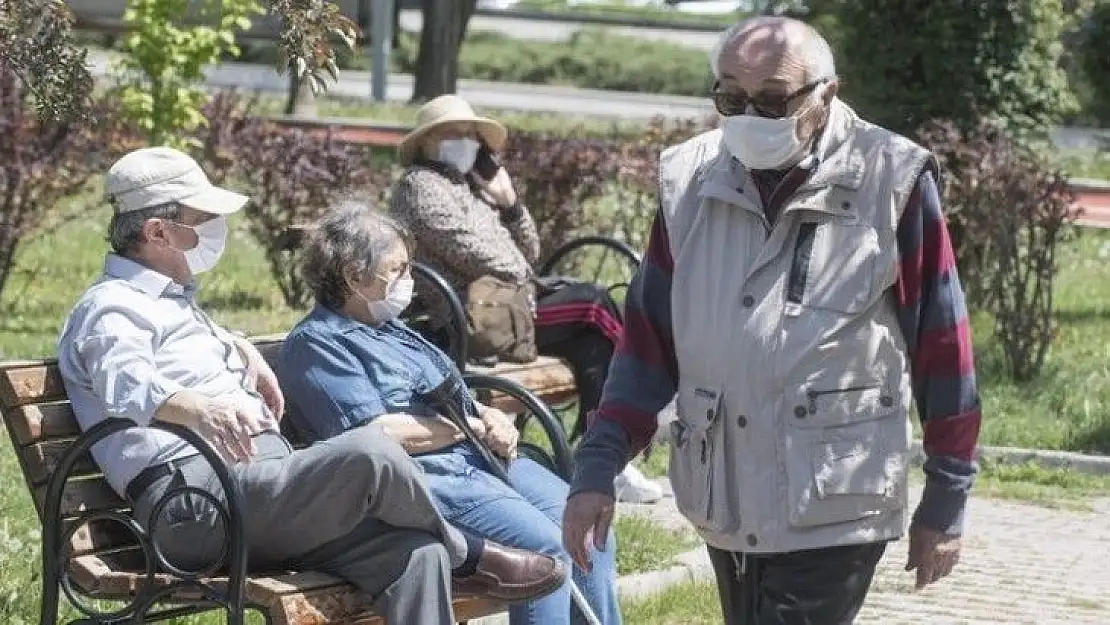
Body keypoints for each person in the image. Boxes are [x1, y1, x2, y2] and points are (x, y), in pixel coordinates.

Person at [562, 16, 983, 625]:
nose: (749, 115)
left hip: (833, 496)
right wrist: (599, 467)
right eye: (731, 98)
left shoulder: (892, 176)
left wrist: (947, 498)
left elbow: (944, 349)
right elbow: (648, 345)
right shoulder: (688, 179)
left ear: (827, 95)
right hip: (724, 494)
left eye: (770, 99)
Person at [56, 146, 566, 625]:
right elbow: (126, 383)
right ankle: (470, 553)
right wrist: (197, 408)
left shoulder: (174, 303)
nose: (217, 229)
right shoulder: (111, 307)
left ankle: (446, 551)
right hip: (195, 503)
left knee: (414, 553)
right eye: (203, 219)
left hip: (263, 493)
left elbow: (175, 355)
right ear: (157, 232)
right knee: (371, 450)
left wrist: (238, 346)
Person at [277, 201, 622, 625]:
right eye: (397, 269)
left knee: (587, 528)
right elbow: (376, 434)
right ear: (353, 275)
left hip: (478, 458)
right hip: (423, 480)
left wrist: (490, 417)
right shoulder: (316, 345)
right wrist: (466, 428)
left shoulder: (392, 329)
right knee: (545, 548)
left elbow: (450, 392)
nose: (409, 280)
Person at [389, 93, 663, 505]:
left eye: (471, 135)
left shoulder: (469, 187)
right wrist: (524, 276)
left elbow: (528, 252)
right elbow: (483, 255)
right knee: (592, 302)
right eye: (454, 134)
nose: (467, 142)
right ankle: (647, 397)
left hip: (508, 307)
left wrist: (510, 203)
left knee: (592, 342)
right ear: (427, 142)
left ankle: (604, 460)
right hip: (468, 315)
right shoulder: (420, 189)